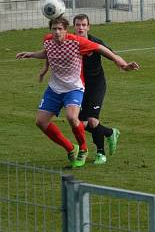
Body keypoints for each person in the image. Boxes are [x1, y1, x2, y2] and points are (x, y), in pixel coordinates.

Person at [17, 16, 139, 168]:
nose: (56, 32)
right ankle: (72, 147)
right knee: (42, 122)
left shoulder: (80, 42)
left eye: (60, 29)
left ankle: (92, 151)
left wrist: (124, 65)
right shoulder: (48, 40)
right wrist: (33, 56)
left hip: (84, 86)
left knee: (80, 119)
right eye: (54, 29)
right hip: (56, 88)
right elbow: (48, 51)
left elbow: (106, 51)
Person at [38, 14, 120, 165]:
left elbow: (110, 54)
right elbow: (51, 54)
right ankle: (109, 132)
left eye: (83, 25)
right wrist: (44, 69)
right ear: (73, 27)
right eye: (78, 25)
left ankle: (100, 153)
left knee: (92, 120)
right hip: (78, 85)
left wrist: (122, 63)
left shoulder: (93, 42)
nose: (81, 28)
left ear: (88, 26)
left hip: (95, 84)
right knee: (79, 122)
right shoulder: (69, 41)